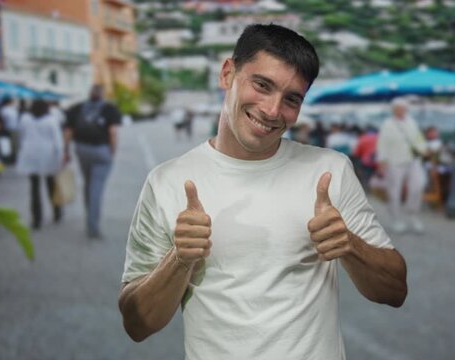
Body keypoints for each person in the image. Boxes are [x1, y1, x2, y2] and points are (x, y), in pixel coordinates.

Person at [118, 24, 407, 360]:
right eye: (262, 85)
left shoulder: (330, 170)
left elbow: (395, 291)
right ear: (228, 74)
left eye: (291, 99)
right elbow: (137, 325)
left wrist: (350, 246)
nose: (272, 110)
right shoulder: (167, 180)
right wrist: (179, 258)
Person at [64, 85, 121, 239]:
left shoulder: (77, 108)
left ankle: (89, 218)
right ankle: (93, 227)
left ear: (89, 94)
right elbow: (113, 132)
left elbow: (68, 131)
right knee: (97, 188)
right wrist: (112, 151)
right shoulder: (109, 109)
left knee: (88, 184)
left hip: (82, 149)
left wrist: (65, 151)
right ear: (102, 94)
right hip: (102, 151)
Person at [376, 98, 428, 234]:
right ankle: (396, 218)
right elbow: (382, 142)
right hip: (394, 160)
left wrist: (424, 149)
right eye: (398, 108)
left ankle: (412, 213)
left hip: (413, 159)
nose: (401, 111)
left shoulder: (412, 122)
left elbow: (418, 138)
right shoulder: (388, 124)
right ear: (394, 110)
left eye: (403, 108)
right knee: (394, 190)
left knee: (418, 185)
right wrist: (382, 160)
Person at [15, 99, 64, 229]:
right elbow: (58, 142)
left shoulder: (25, 119)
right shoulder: (51, 120)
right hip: (48, 155)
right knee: (51, 185)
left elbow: (20, 136)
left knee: (34, 188)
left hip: (30, 154)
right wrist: (60, 158)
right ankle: (57, 211)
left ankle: (37, 219)